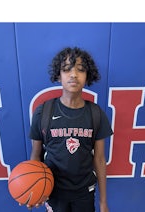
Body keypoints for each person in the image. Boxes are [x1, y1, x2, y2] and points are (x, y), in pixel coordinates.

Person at [29, 47, 113, 212]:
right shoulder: (44, 112)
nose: (74, 74)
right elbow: (36, 154)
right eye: (66, 69)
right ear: (58, 76)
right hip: (53, 190)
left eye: (80, 70)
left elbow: (100, 160)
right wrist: (34, 189)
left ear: (87, 76)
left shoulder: (96, 114)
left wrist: (103, 202)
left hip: (85, 191)